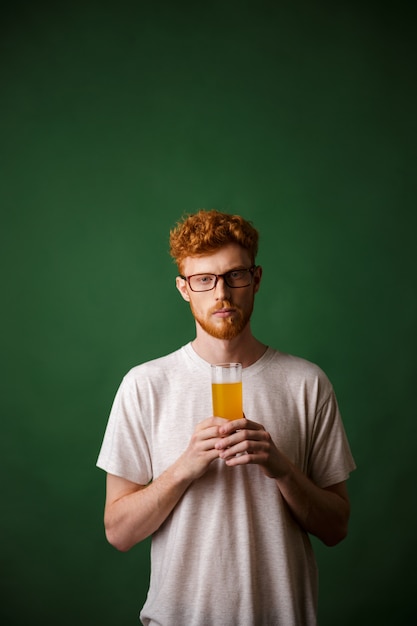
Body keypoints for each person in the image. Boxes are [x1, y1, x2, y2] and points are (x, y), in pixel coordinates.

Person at [97, 209, 356, 626]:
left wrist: (282, 469)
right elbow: (118, 532)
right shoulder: (144, 385)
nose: (221, 293)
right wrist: (184, 467)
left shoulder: (307, 383)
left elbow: (336, 527)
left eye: (234, 276)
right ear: (184, 289)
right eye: (204, 280)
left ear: (255, 279)